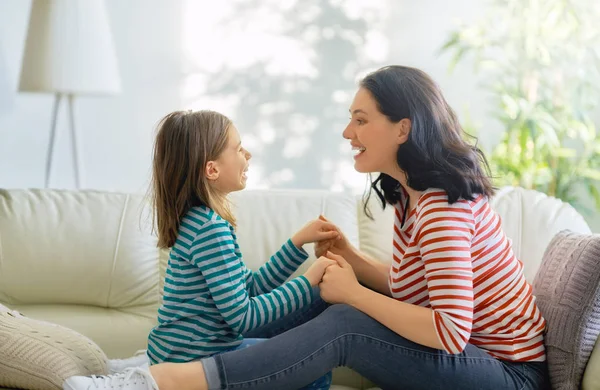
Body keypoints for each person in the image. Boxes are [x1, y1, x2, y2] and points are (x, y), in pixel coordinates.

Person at [65, 65, 551, 390]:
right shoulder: (413, 197)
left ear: (402, 128)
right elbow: (410, 286)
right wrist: (353, 263)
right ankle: (182, 367)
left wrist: (355, 294)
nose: (347, 133)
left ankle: (166, 382)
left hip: (506, 373)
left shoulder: (443, 209)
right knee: (328, 296)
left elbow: (449, 330)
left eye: (360, 120)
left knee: (344, 322)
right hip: (476, 355)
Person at [63, 110, 337, 389]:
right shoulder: (210, 229)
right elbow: (244, 317)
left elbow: (250, 287)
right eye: (239, 148)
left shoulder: (200, 220)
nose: (249, 154)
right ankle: (144, 381)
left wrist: (296, 244)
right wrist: (308, 281)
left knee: (303, 358)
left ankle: (146, 369)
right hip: (197, 358)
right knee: (314, 371)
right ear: (212, 169)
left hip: (188, 351)